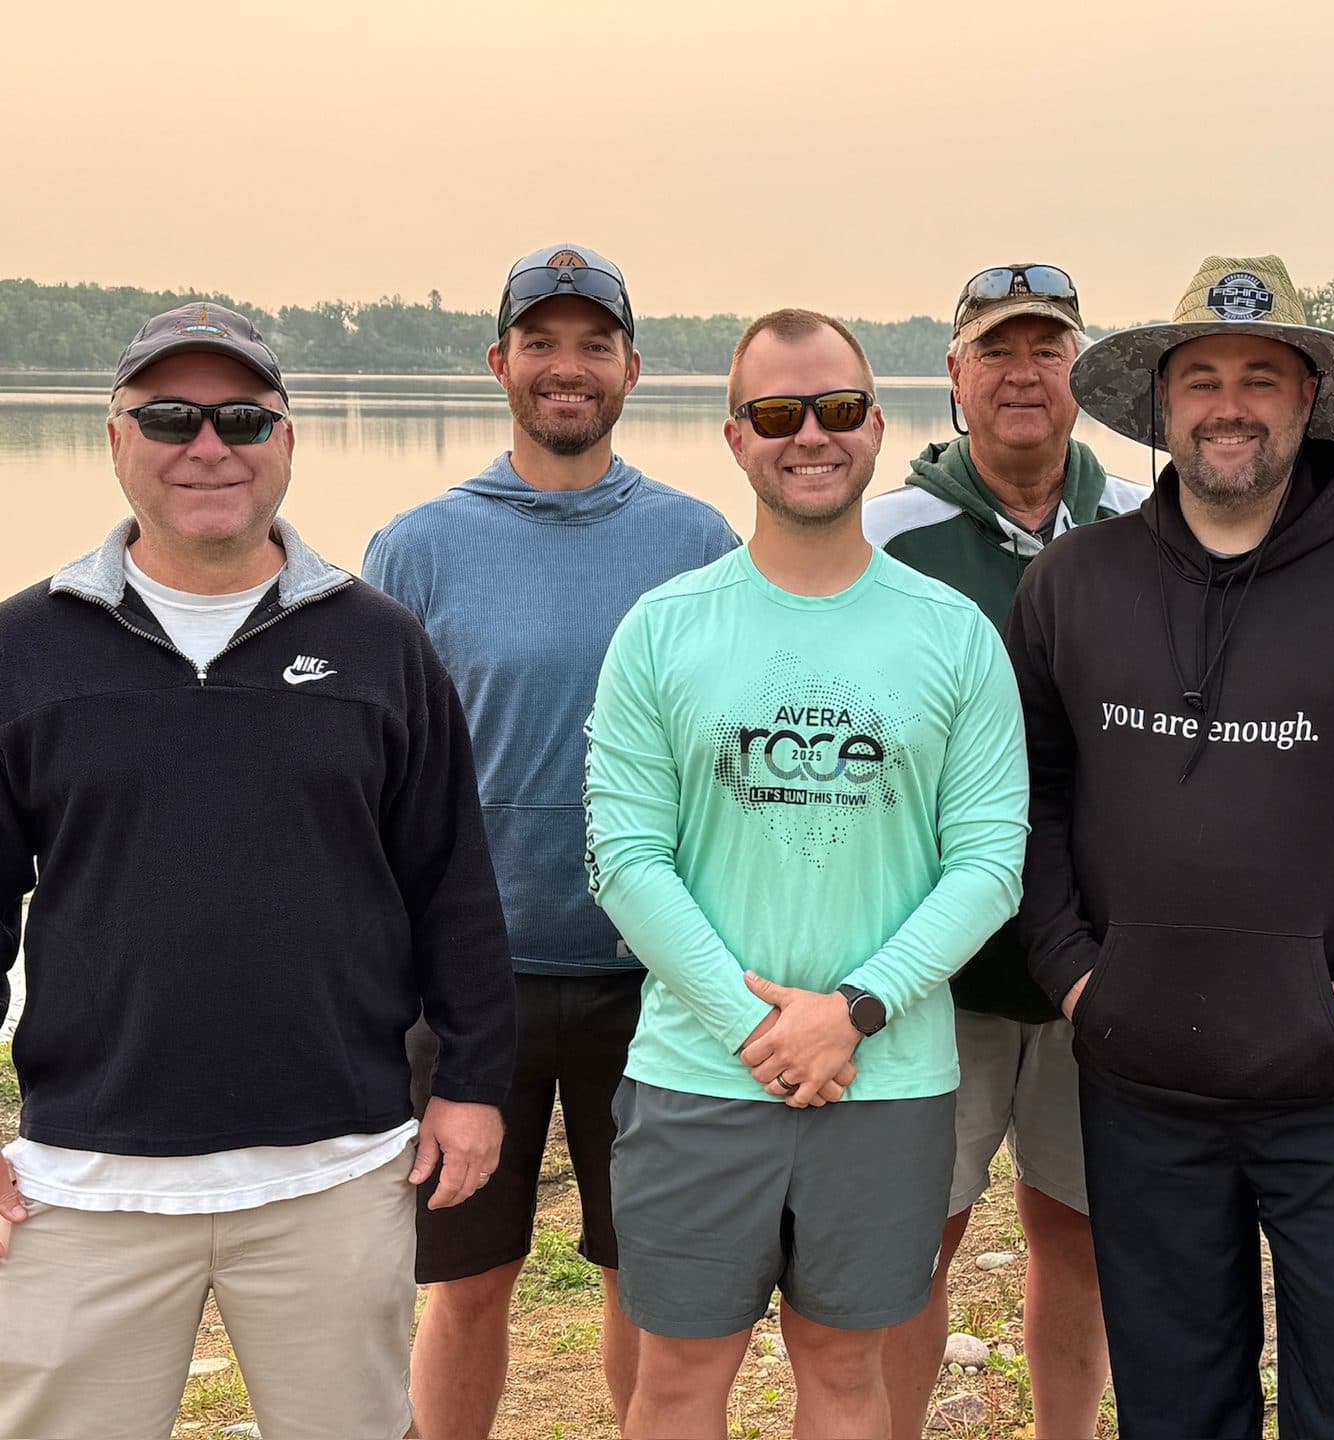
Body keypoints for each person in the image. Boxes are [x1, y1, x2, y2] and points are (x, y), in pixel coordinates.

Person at [0, 302, 515, 1439]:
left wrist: (474, 1083)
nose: (208, 447)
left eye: (241, 419)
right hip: (88, 1180)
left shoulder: (380, 643)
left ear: (286, 440)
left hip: (337, 1168)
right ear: (115, 437)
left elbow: (452, 884)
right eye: (169, 419)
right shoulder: (25, 648)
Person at [1009, 255, 1334, 1438]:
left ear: (1307, 400)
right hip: (1139, 1082)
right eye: (1204, 379)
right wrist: (1075, 974)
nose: (1229, 405)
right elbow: (1024, 792)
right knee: (1176, 1405)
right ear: (1163, 404)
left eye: (1261, 378)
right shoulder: (1075, 582)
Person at [583, 308, 1028, 1439]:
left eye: (837, 408)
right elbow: (624, 858)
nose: (810, 436)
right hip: (698, 1076)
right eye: (778, 413)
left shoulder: (955, 635)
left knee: (842, 1367)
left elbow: (989, 863)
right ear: (736, 436)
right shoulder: (662, 629)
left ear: (877, 426)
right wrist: (758, 1028)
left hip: (887, 1078)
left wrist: (856, 1010)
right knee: (679, 1375)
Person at [364, 244, 738, 1438]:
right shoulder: (419, 547)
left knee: (650, 1280)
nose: (566, 367)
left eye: (593, 344)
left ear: (633, 367)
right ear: (500, 363)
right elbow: (381, 779)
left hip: (657, 982)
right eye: (541, 343)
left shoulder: (698, 542)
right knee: (468, 1281)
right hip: (472, 985)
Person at [865, 263, 1142, 1438]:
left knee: (1078, 1234)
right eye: (997, 349)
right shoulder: (884, 536)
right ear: (955, 373)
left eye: (1048, 348)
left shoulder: (1148, 519)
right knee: (912, 1243)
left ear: (1083, 369)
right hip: (935, 973)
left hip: (1105, 968)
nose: (1023, 373)